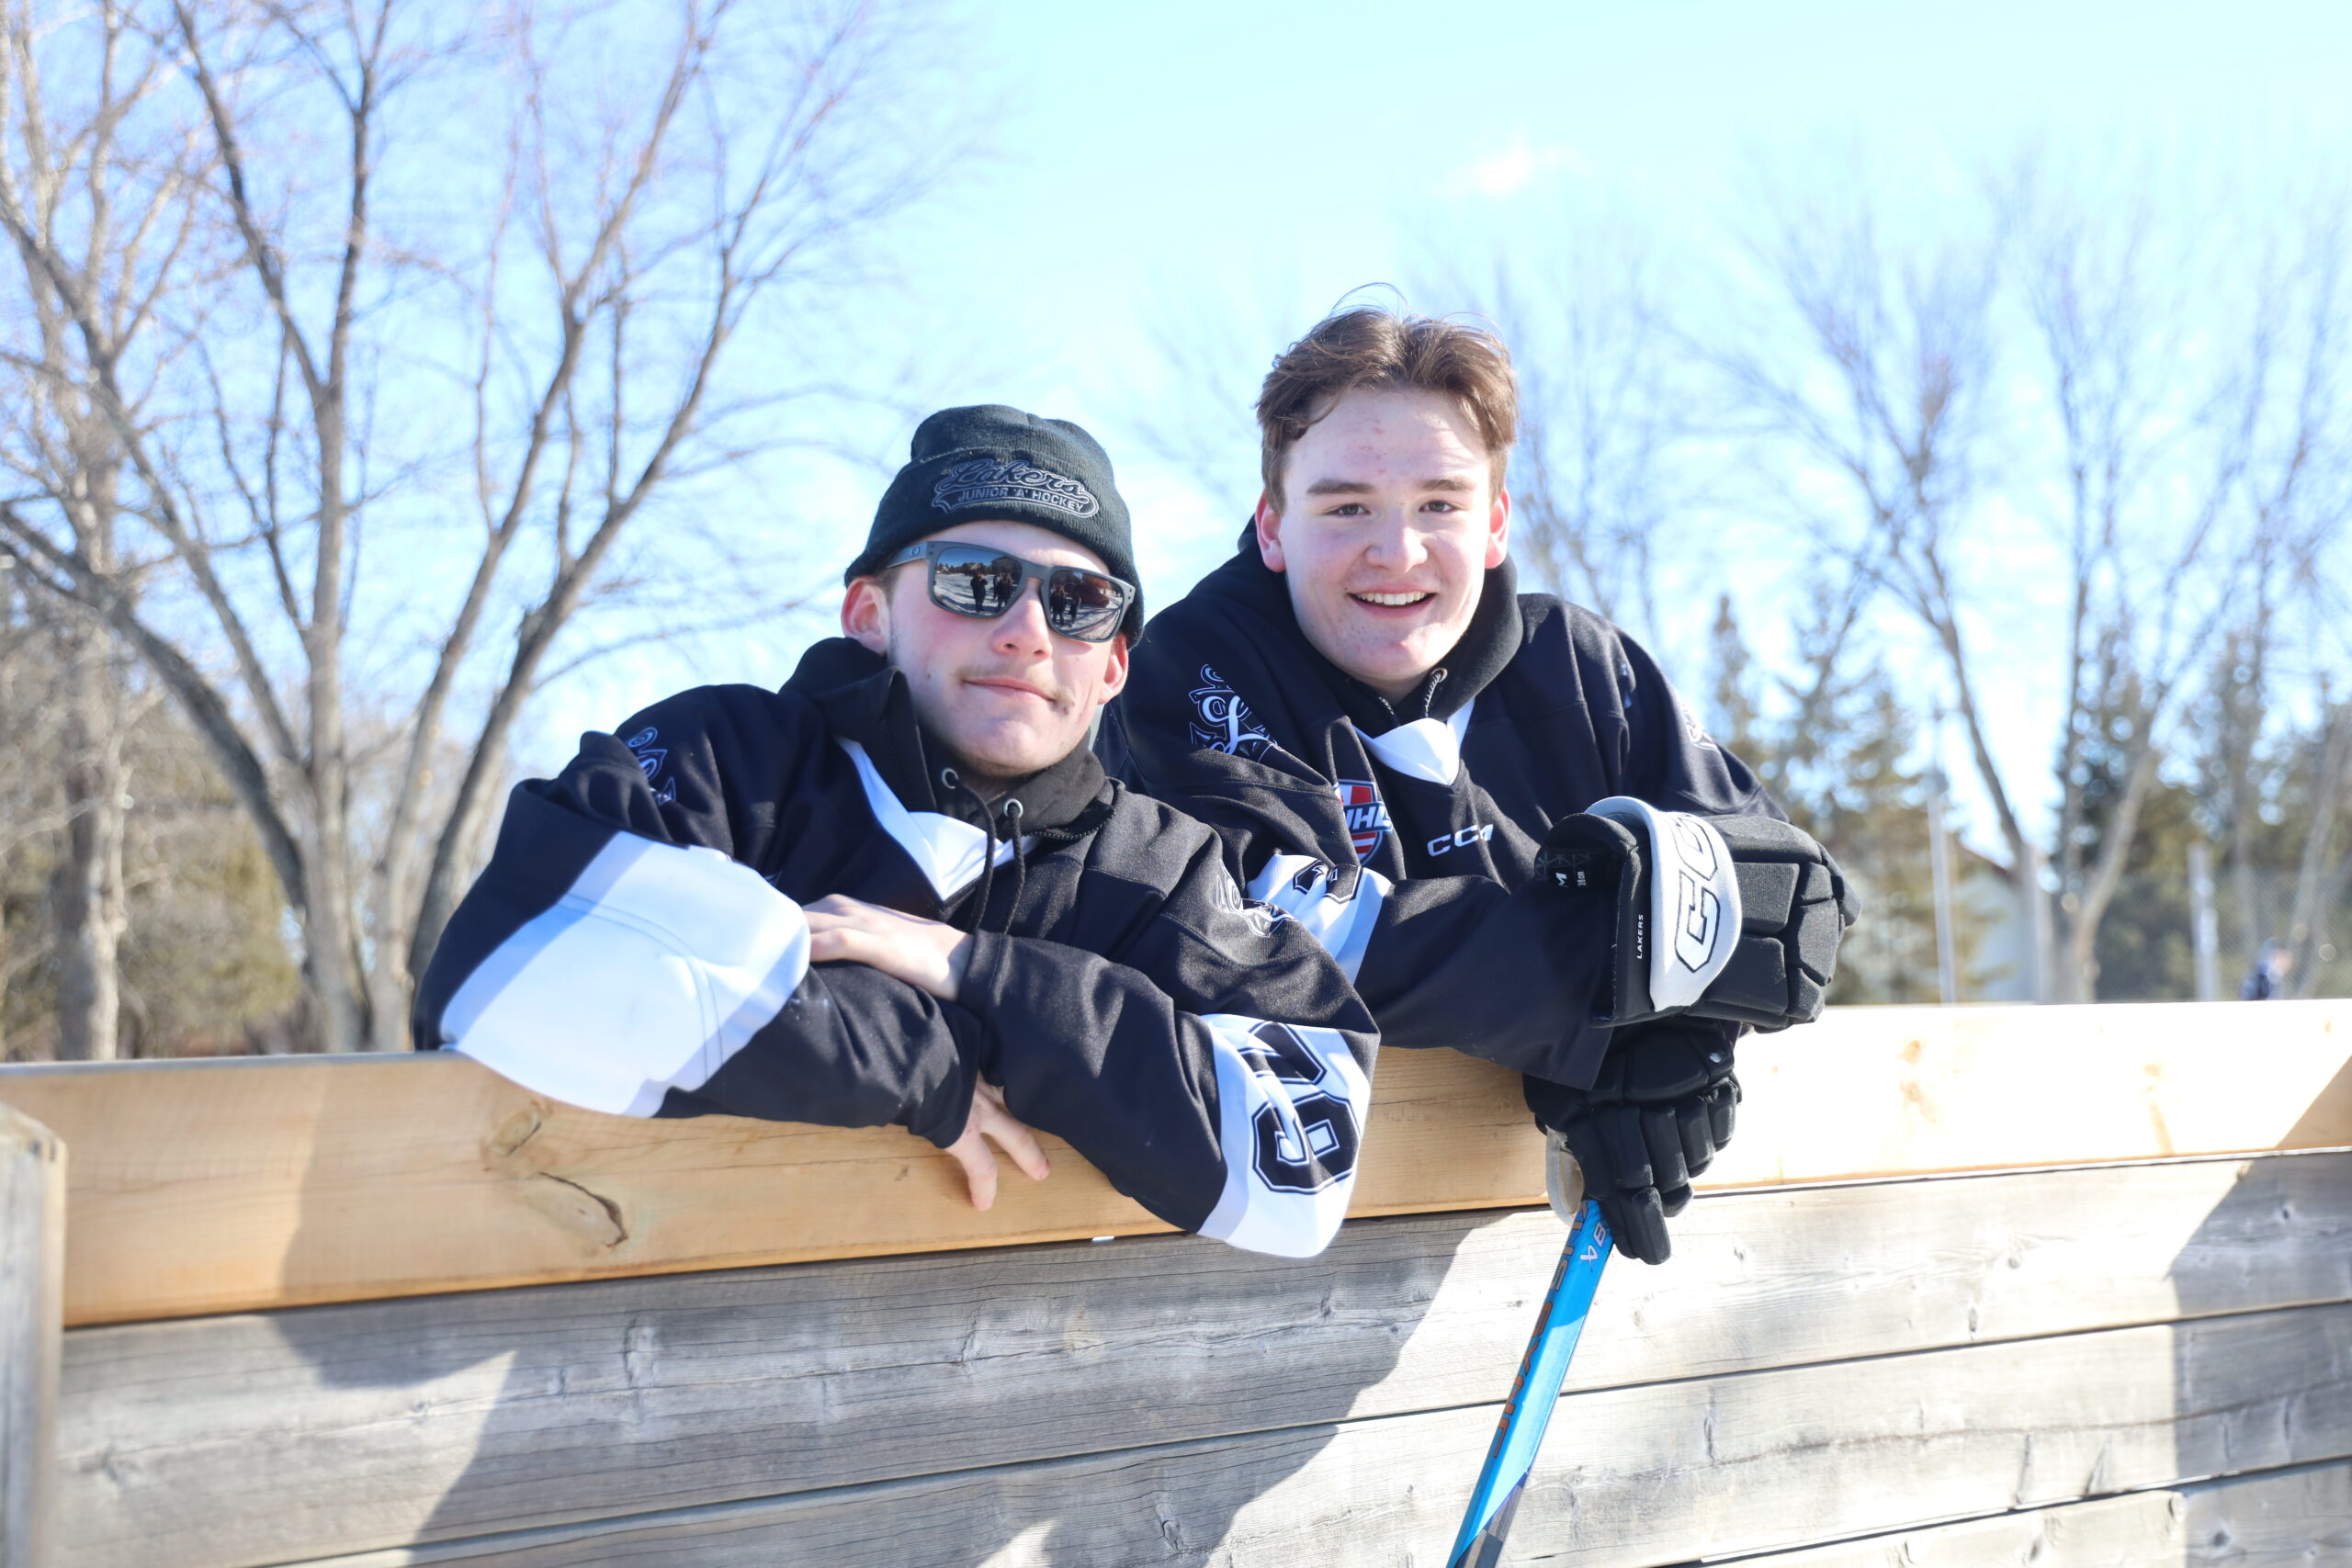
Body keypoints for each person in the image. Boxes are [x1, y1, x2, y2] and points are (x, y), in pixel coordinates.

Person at [414, 405, 1377, 1258]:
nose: (1028, 631)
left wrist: (979, 974)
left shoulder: (1152, 868)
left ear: (1116, 665)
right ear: (868, 612)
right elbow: (508, 967)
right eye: (975, 580)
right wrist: (914, 1061)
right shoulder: (728, 760)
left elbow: (1301, 1173)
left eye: (1079, 603)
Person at [1102, 308, 1855, 1263]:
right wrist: (1607, 1004)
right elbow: (1277, 932)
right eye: (1345, 508)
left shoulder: (1583, 669)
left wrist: (1681, 1046)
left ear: (1494, 522)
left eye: (1439, 504)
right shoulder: (1193, 672)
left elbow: (1784, 903)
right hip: (1234, 1282)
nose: (1397, 551)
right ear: (1273, 526)